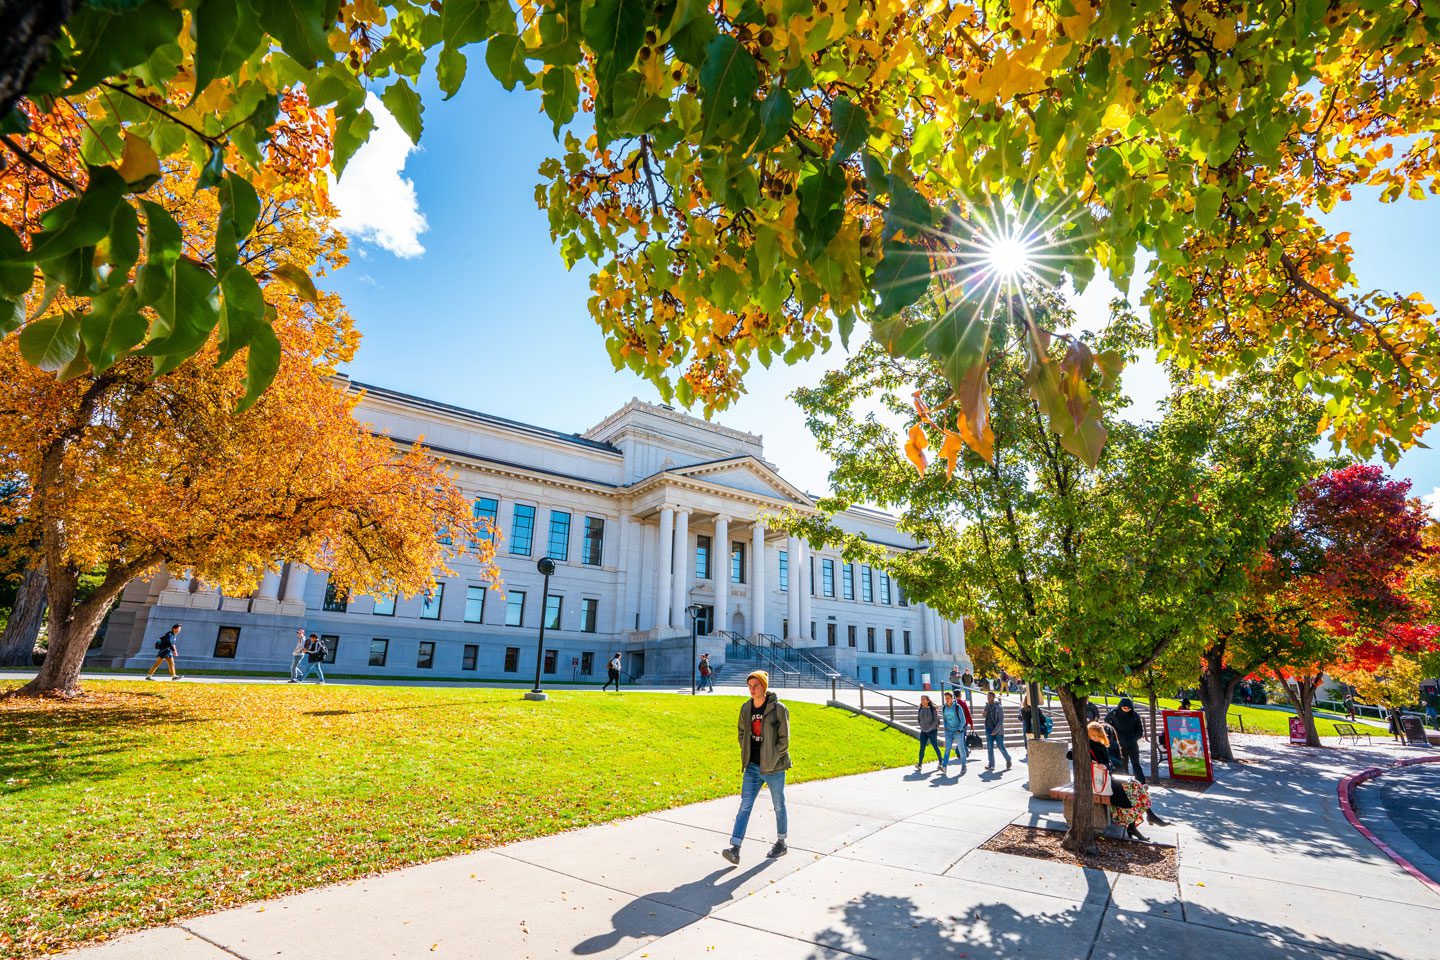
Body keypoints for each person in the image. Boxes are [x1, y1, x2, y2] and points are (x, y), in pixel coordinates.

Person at [722, 671, 790, 864]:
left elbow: (784, 740)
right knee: (745, 805)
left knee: (778, 805)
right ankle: (735, 847)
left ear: (764, 687)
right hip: (752, 767)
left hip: (774, 768)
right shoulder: (746, 708)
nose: (752, 689)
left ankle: (781, 842)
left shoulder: (778, 709)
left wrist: (771, 758)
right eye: (749, 686)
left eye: (756, 686)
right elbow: (741, 732)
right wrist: (747, 750)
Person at [1069, 722, 1169, 840]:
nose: (1095, 738)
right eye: (1092, 735)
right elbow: (1070, 755)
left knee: (1135, 789)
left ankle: (1140, 822)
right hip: (1098, 783)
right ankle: (1142, 821)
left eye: (1097, 736)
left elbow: (1111, 763)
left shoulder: (1104, 746)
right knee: (1134, 791)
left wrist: (1106, 765)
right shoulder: (1091, 745)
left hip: (1106, 780)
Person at [1105, 697, 1147, 783]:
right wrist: (1115, 740)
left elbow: (1140, 731)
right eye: (1124, 708)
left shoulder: (1135, 715)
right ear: (1120, 706)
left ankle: (1141, 782)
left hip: (1132, 743)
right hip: (1119, 744)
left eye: (1128, 708)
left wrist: (1133, 739)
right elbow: (1107, 728)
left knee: (1136, 763)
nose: (1126, 710)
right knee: (1123, 764)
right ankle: (1125, 782)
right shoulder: (1113, 714)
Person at [940, 690, 972, 774]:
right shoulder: (944, 707)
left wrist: (959, 729)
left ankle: (964, 766)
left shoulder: (958, 707)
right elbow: (944, 719)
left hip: (958, 732)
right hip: (948, 732)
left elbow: (963, 720)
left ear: (952, 698)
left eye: (948, 698)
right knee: (947, 749)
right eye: (945, 698)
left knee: (961, 749)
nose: (947, 700)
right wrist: (946, 728)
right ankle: (944, 766)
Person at [983, 691, 1012, 771]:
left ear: (993, 697)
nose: (988, 698)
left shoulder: (998, 707)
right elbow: (984, 715)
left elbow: (1001, 720)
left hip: (998, 731)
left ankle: (1008, 759)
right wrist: (985, 711)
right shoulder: (987, 706)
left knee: (1000, 746)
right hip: (989, 729)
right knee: (989, 747)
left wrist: (996, 730)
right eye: (987, 696)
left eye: (989, 696)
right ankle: (991, 765)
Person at [916, 695, 943, 772]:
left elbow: (935, 720)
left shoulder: (932, 709)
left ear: (928, 700)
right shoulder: (920, 708)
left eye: (924, 699)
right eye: (921, 699)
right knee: (922, 748)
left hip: (932, 731)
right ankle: (920, 764)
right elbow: (918, 718)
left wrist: (930, 727)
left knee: (935, 747)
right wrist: (921, 725)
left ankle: (941, 762)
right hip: (923, 731)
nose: (922, 701)